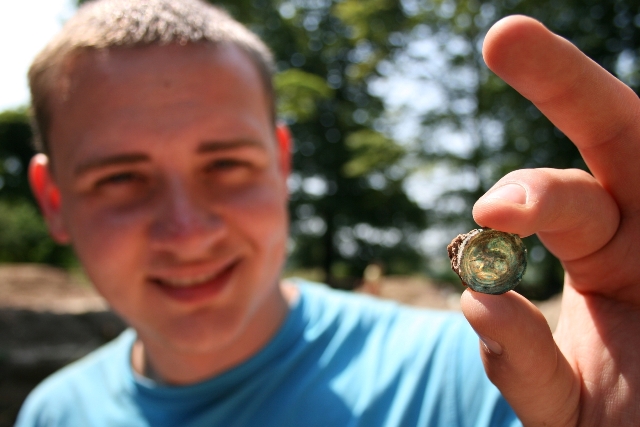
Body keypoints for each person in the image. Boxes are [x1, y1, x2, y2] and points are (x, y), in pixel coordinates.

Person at [14, 0, 640, 425]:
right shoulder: (52, 413)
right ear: (54, 201)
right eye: (120, 179)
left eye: (226, 164)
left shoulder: (484, 380)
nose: (187, 232)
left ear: (282, 165)